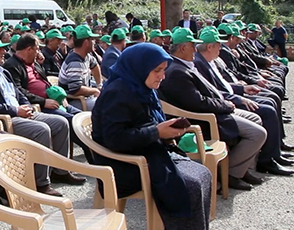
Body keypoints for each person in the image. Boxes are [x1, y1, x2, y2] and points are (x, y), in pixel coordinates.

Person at [92, 43, 212, 229]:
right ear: (139, 67)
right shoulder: (117, 94)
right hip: (124, 166)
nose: (162, 76)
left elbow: (144, 123)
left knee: (202, 174)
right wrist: (157, 132)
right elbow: (115, 139)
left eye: (164, 70)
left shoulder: (140, 88)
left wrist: (167, 130)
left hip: (146, 153)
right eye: (157, 70)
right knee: (190, 185)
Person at [0, 34, 85, 196]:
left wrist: (27, 106)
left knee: (61, 123)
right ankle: (40, 182)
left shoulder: (3, 71)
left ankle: (60, 171)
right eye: (0, 49)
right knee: (41, 130)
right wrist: (15, 111)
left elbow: (18, 92)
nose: (4, 51)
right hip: (7, 117)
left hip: (22, 112)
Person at [158, 28, 267, 190]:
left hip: (215, 110)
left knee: (256, 118)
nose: (196, 49)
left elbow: (209, 92)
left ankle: (241, 170)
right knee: (258, 134)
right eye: (192, 46)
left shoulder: (183, 65)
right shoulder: (176, 71)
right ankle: (230, 173)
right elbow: (197, 103)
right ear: (182, 48)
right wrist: (226, 105)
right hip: (207, 118)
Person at [193, 29, 293, 175]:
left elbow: (227, 80)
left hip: (232, 94)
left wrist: (243, 87)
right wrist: (240, 95)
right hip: (225, 102)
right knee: (268, 109)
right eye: (219, 45)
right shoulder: (199, 63)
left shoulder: (210, 60)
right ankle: (267, 160)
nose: (221, 48)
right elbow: (213, 93)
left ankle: (275, 150)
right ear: (210, 47)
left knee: (271, 99)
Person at [2, 34, 88, 155]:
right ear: (29, 49)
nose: (39, 52)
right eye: (37, 48)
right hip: (40, 105)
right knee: (71, 121)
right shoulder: (12, 66)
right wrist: (43, 101)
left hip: (54, 101)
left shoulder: (35, 63)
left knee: (82, 118)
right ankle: (88, 154)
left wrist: (60, 96)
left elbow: (44, 83)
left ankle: (91, 149)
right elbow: (19, 90)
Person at [58, 25, 102, 111]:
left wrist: (99, 85)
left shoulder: (87, 56)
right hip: (75, 100)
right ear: (86, 42)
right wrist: (95, 91)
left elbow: (95, 66)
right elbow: (76, 89)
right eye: (92, 39)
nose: (94, 42)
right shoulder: (75, 62)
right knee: (107, 105)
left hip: (86, 97)